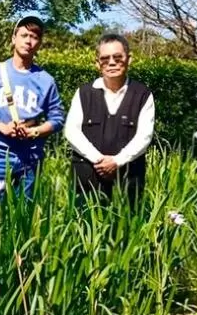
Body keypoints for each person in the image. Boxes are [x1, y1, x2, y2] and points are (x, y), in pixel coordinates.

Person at [0, 16, 64, 219]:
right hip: (0, 154)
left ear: (40, 43)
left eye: (34, 37)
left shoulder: (46, 80)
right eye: (24, 35)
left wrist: (34, 131)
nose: (28, 41)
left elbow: (57, 118)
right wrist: (2, 127)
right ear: (14, 38)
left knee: (24, 216)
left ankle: (19, 251)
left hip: (31, 157)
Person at [65, 33, 155, 204]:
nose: (112, 63)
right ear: (97, 63)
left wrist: (117, 161)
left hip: (128, 180)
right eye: (105, 59)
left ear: (129, 59)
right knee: (85, 227)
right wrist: (100, 160)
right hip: (87, 179)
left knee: (126, 228)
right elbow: (72, 131)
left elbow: (144, 136)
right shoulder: (84, 93)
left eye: (118, 57)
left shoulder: (142, 94)